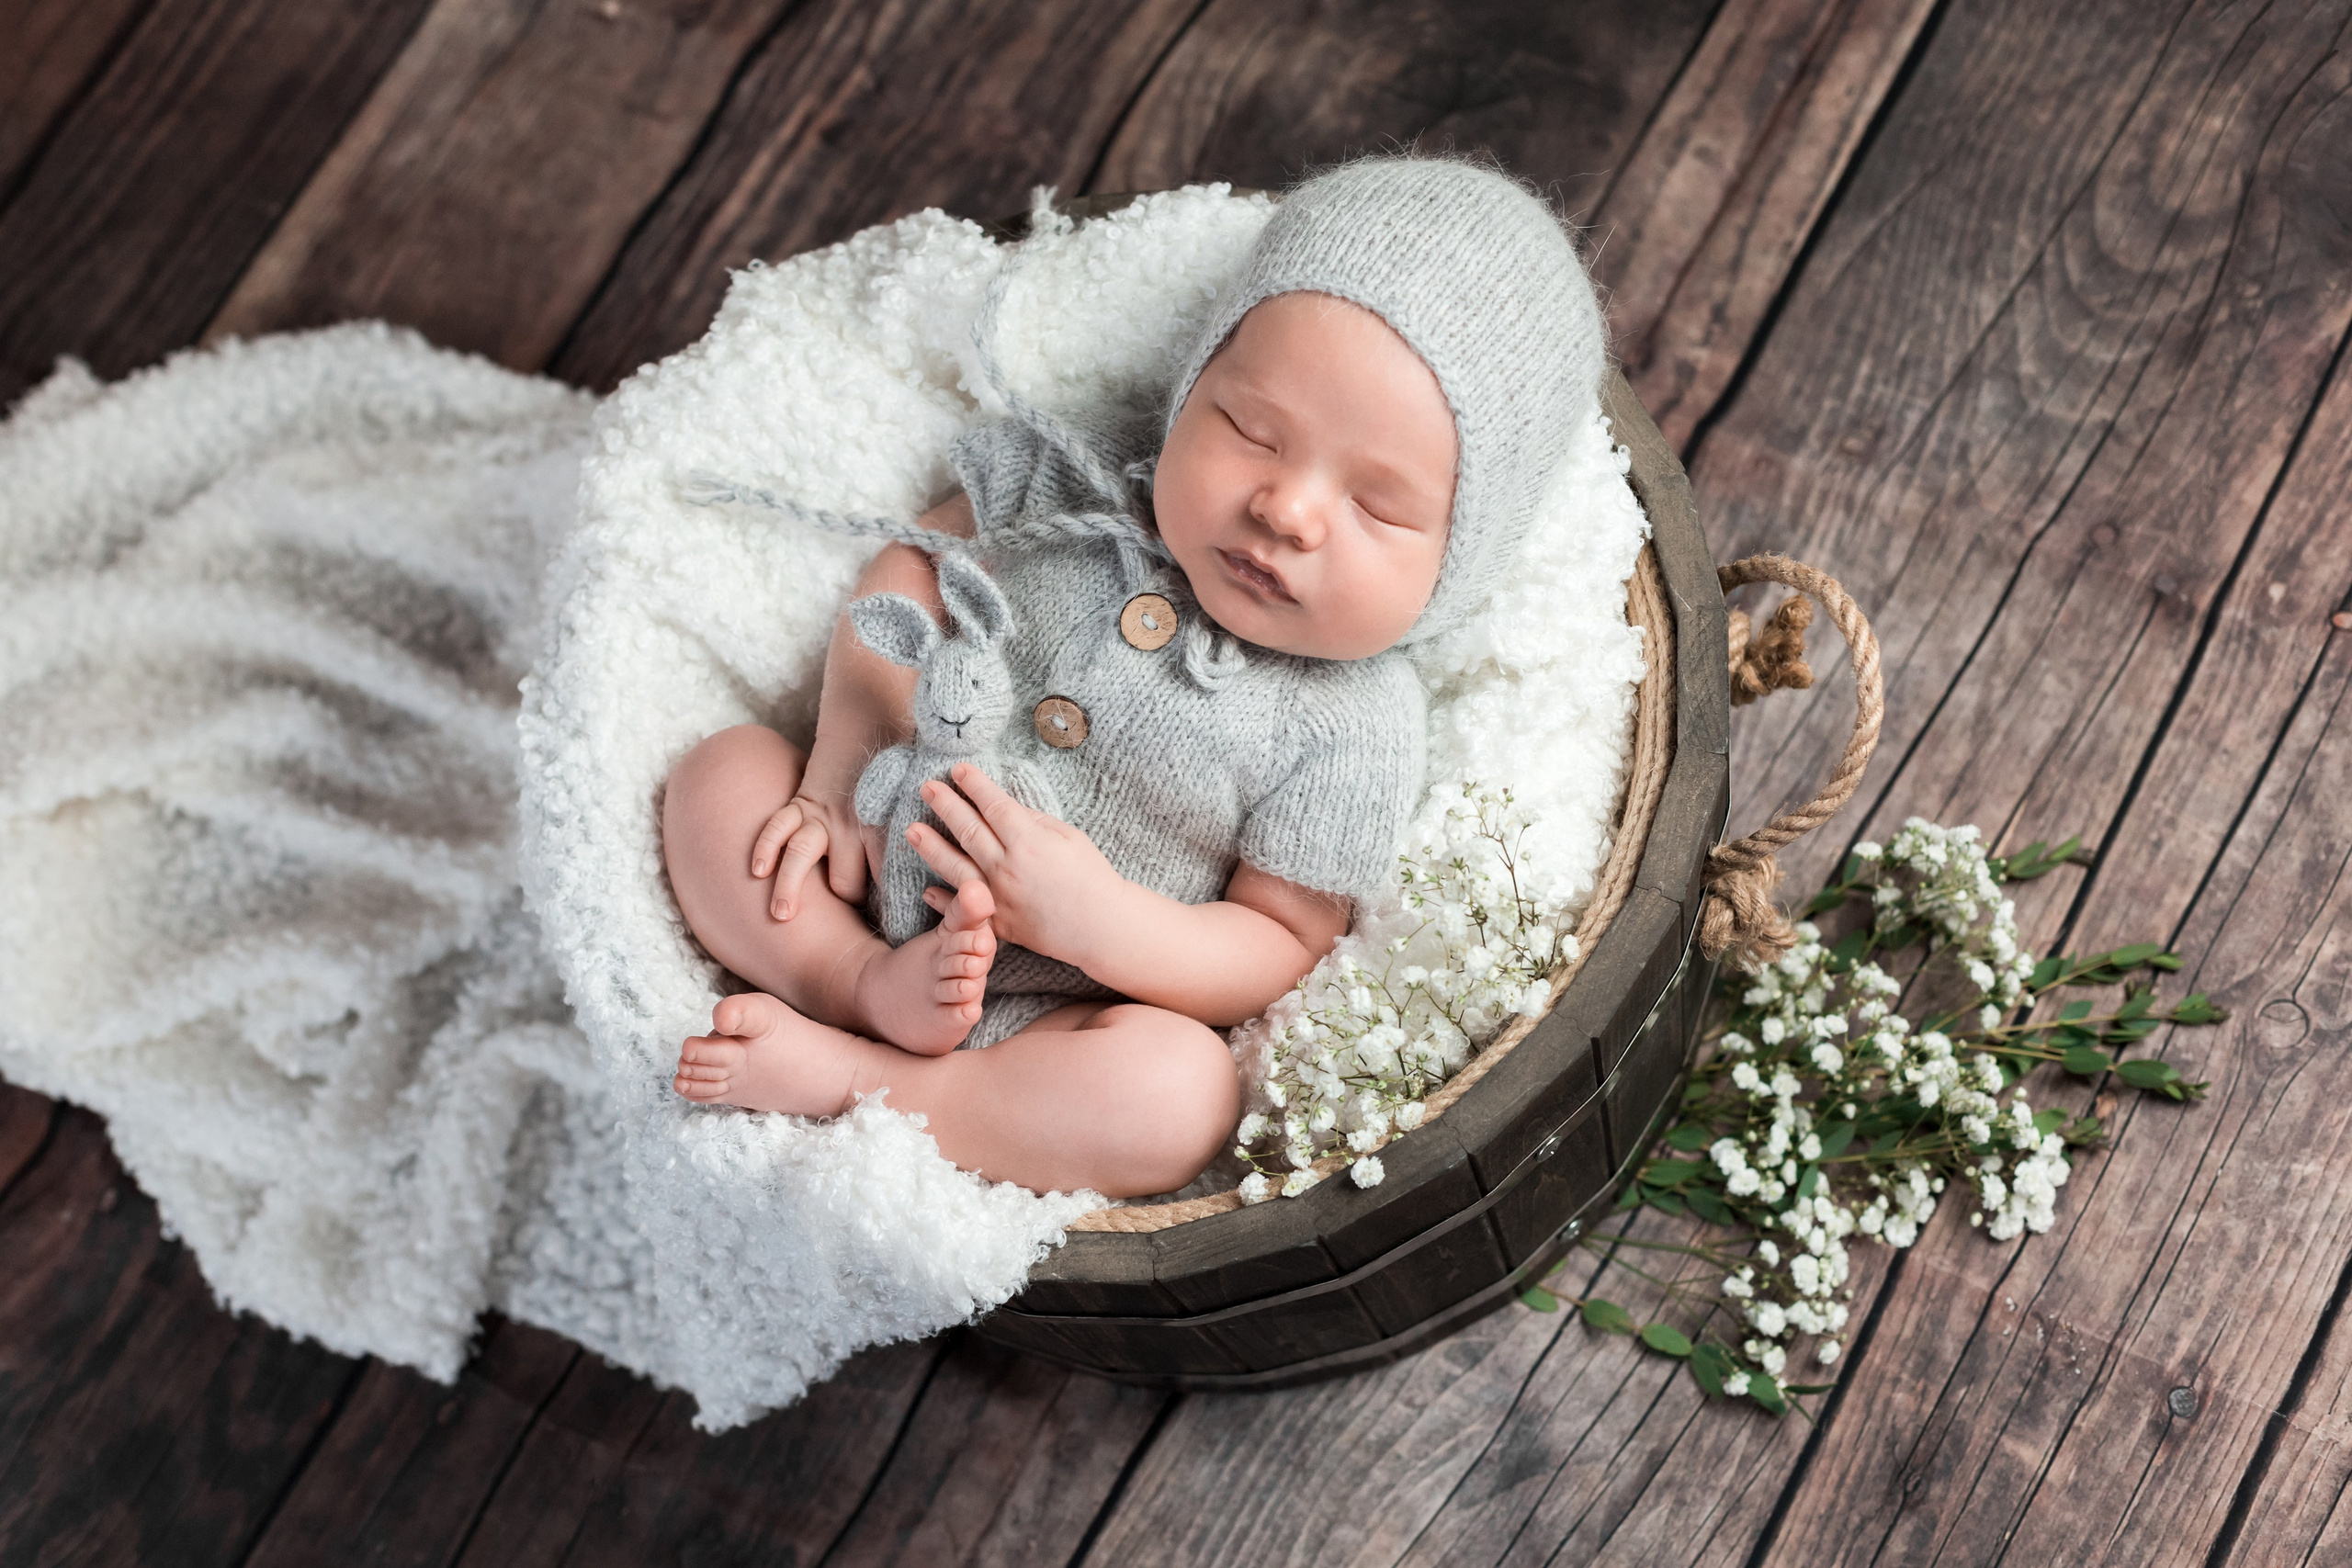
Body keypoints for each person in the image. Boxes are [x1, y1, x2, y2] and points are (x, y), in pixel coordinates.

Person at [659, 156, 1604, 1198]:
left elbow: (1278, 939)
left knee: (1181, 1095)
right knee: (722, 775)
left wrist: (1096, 922)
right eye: (1250, 430)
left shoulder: (1356, 721)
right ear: (1193, 379)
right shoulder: (1083, 469)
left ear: (1458, 560)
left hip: (1057, 1009)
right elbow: (910, 569)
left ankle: (868, 1082)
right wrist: (839, 774)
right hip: (866, 861)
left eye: (1377, 507)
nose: (1286, 510)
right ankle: (846, 986)